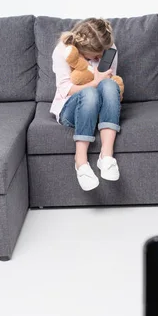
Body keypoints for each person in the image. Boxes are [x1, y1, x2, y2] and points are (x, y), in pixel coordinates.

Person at [50, 18, 122, 191]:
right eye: (95, 55)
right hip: (71, 109)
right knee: (90, 92)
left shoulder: (110, 49)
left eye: (102, 53)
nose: (100, 57)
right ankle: (80, 162)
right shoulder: (63, 51)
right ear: (82, 50)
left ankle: (106, 156)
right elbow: (65, 89)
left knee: (111, 84)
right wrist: (95, 83)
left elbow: (108, 87)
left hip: (98, 111)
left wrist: (104, 82)